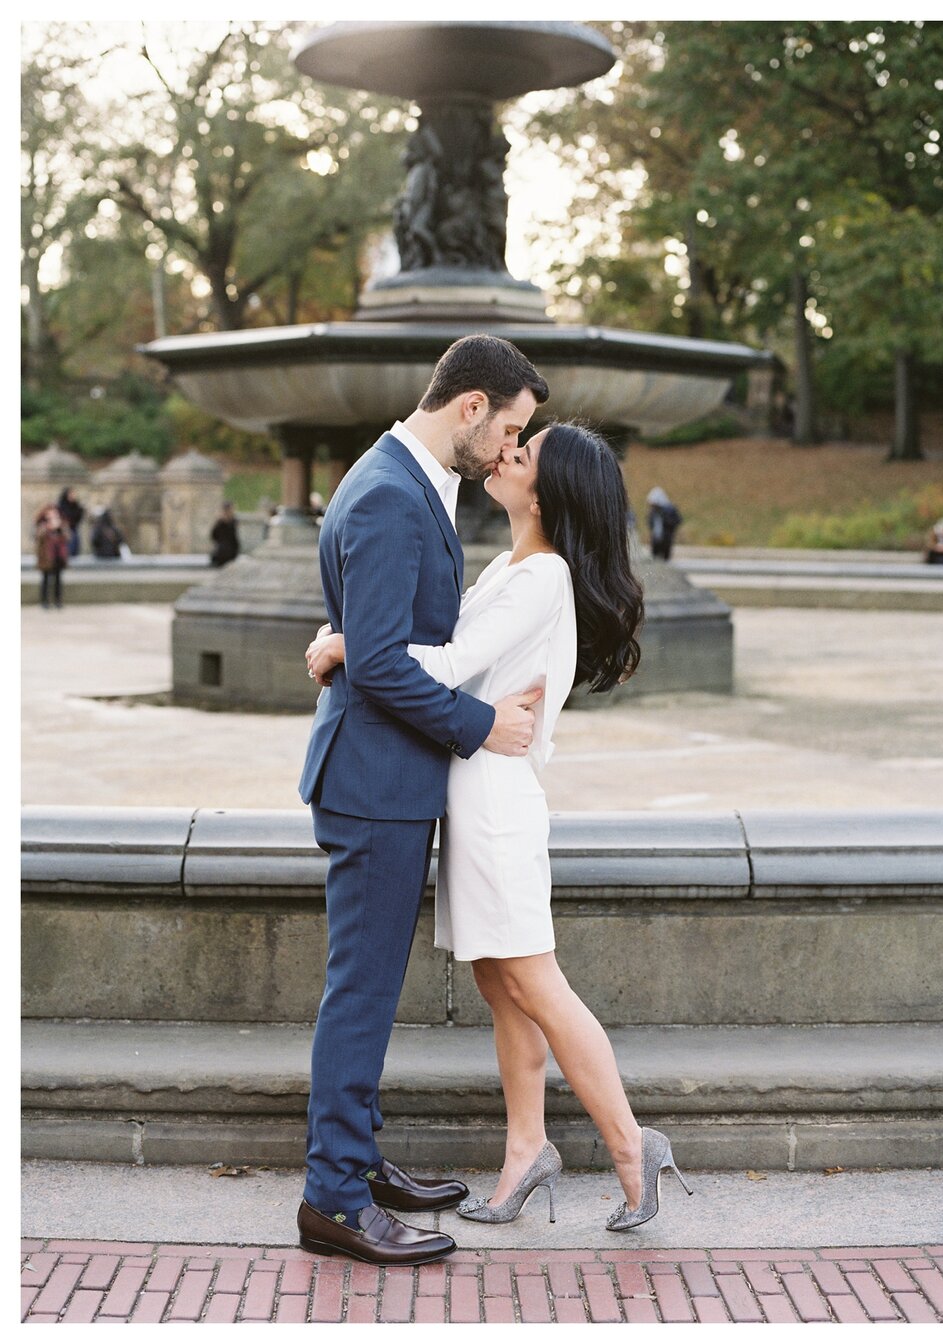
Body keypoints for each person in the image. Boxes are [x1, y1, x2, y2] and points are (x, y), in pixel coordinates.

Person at [307, 422, 693, 1238]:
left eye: (526, 453)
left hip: (496, 800)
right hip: (473, 788)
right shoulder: (509, 567)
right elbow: (442, 644)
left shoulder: (542, 577)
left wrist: (346, 645)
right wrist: (344, 636)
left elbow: (441, 665)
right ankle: (526, 1150)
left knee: (534, 980)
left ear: (549, 494)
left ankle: (632, 1145)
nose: (507, 454)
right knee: (500, 983)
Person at [295, 334, 551, 1268]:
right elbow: (384, 669)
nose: (509, 451)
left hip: (381, 780)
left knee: (366, 990)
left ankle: (356, 1164)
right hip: (374, 786)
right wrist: (481, 725)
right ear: (472, 406)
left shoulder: (391, 477)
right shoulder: (394, 497)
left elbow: (370, 637)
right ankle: (331, 1199)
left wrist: (344, 641)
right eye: (511, 428)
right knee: (360, 996)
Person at [34, 505, 70, 609]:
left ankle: (58, 601)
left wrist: (61, 528)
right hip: (46, 557)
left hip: (58, 556)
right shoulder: (41, 525)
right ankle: (44, 601)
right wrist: (47, 528)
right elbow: (37, 537)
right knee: (45, 579)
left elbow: (68, 538)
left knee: (58, 579)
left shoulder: (62, 525)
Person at [647, 485, 682, 560]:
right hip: (656, 539)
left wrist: (668, 523)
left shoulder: (669, 510)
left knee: (665, 558)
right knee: (655, 558)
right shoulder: (654, 512)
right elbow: (650, 522)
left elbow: (678, 520)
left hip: (667, 538)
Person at [209, 502, 240, 567]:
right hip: (221, 553)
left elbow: (235, 539)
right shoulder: (220, 523)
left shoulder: (234, 522)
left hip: (231, 552)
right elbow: (214, 536)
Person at [57, 486, 84, 558]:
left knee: (75, 548)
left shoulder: (76, 506)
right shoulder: (62, 505)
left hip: (74, 529)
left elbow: (78, 518)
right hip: (64, 530)